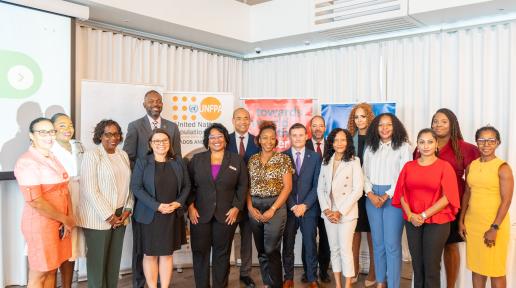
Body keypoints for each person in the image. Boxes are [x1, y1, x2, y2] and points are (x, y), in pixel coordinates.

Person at [123, 90, 182, 288]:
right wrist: (145, 177)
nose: (155, 103)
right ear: (144, 103)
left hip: (168, 196)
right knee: (144, 249)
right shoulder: (135, 126)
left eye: (158, 101)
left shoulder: (172, 127)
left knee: (165, 252)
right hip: (145, 197)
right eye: (151, 101)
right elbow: (128, 158)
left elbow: (177, 158)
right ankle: (141, 284)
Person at [415, 108, 479, 288]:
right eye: (435, 121)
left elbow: (471, 183)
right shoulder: (423, 146)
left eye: (443, 121)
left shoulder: (466, 149)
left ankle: (450, 286)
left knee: (450, 246)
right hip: (425, 206)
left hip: (452, 205)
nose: (438, 124)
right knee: (427, 250)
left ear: (452, 124)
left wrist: (466, 211)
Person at [392, 128, 460, 288]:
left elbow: (447, 198)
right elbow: (401, 193)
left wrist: (422, 215)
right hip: (412, 221)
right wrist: (410, 215)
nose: (426, 145)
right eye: (422, 142)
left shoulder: (445, 167)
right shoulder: (409, 167)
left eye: (430, 142)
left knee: (431, 267)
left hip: (438, 222)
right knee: (417, 266)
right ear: (417, 145)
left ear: (436, 144)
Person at [14, 117, 75, 288]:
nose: (49, 136)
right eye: (42, 132)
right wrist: (64, 218)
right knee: (39, 273)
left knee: (51, 269)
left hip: (60, 222)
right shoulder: (27, 161)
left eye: (51, 131)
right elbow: (36, 202)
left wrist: (68, 217)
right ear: (31, 136)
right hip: (40, 224)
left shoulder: (52, 157)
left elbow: (65, 188)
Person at [188, 123, 249, 288]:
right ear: (207, 141)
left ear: (226, 140)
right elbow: (189, 186)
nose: (216, 140)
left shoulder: (236, 160)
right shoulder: (197, 160)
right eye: (212, 137)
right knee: (200, 254)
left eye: (220, 136)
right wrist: (190, 207)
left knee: (222, 255)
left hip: (226, 215)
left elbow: (243, 186)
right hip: (199, 215)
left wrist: (237, 207)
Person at [130, 129, 190, 288]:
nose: (161, 144)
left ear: (169, 143)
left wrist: (178, 203)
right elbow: (136, 187)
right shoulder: (142, 162)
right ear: (150, 144)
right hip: (149, 216)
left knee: (167, 254)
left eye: (164, 140)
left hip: (171, 215)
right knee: (149, 255)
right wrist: (157, 206)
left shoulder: (178, 161)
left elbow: (187, 186)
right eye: (157, 141)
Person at [78, 119, 134, 288]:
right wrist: (109, 216)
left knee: (113, 262)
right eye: (108, 134)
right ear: (100, 136)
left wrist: (128, 208)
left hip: (121, 215)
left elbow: (130, 185)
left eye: (116, 133)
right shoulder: (91, 156)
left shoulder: (122, 155)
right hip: (98, 218)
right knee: (97, 263)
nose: (113, 138)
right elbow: (89, 189)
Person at [458, 126, 513, 288]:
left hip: (494, 225)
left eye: (491, 140)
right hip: (473, 224)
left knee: (496, 271)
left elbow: (507, 201)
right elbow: (467, 193)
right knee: (477, 268)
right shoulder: (471, 166)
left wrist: (494, 228)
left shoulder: (503, 168)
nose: (486, 144)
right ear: (477, 142)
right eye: (482, 140)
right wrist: (461, 220)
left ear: (498, 143)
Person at [362, 113, 412, 288]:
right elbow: (364, 173)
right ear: (376, 127)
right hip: (372, 197)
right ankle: (381, 281)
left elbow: (404, 175)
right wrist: (369, 193)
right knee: (378, 242)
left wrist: (387, 195)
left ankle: (393, 284)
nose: (384, 128)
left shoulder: (403, 147)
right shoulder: (370, 147)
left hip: (394, 197)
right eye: (380, 125)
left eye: (388, 124)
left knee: (392, 244)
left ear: (395, 126)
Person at [247, 121, 293, 288]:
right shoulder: (252, 160)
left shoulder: (283, 159)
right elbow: (248, 186)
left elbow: (288, 188)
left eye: (272, 138)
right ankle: (267, 283)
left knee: (271, 249)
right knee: (261, 250)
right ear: (259, 139)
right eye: (264, 138)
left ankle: (276, 284)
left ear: (276, 141)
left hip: (276, 206)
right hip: (255, 206)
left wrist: (272, 209)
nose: (268, 141)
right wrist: (250, 207)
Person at [317, 128, 363, 288]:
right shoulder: (326, 161)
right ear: (331, 142)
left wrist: (339, 211)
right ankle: (338, 284)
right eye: (336, 140)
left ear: (348, 142)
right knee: (334, 249)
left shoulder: (354, 161)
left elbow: (358, 190)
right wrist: (326, 210)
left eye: (343, 140)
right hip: (329, 213)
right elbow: (320, 189)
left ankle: (348, 284)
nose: (339, 143)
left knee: (345, 249)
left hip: (347, 213)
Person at [281, 123, 322, 288]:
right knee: (288, 244)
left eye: (300, 135)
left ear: (307, 136)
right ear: (290, 137)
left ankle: (312, 278)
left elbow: (317, 185)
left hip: (309, 209)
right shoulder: (282, 157)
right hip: (288, 209)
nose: (297, 138)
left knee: (311, 244)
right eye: (294, 135)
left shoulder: (316, 157)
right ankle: (288, 277)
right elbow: (282, 186)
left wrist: (305, 205)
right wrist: (293, 206)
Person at [50, 113, 85, 288]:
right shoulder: (48, 148)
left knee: (72, 248)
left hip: (79, 200)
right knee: (56, 247)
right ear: (52, 128)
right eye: (62, 125)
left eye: (70, 125)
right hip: (59, 200)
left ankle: (66, 285)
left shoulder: (77, 145)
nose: (68, 129)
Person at [227, 107, 260, 288]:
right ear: (233, 120)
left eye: (246, 118)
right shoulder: (225, 140)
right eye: (238, 118)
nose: (242, 121)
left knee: (247, 238)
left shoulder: (257, 142)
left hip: (251, 200)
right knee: (226, 238)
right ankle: (222, 271)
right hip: (229, 201)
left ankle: (245, 273)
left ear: (250, 121)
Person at [346, 103, 376, 287]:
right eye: (356, 117)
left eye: (363, 116)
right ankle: (354, 269)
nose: (359, 120)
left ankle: (373, 271)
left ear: (369, 118)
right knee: (354, 232)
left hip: (372, 191)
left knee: (373, 233)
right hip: (354, 192)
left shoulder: (377, 138)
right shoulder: (350, 139)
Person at [303, 115, 331, 283]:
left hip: (328, 200)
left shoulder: (333, 145)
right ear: (310, 128)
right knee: (309, 237)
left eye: (321, 125)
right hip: (309, 200)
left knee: (326, 238)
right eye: (314, 126)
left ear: (325, 127)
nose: (318, 128)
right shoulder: (303, 145)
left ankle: (324, 271)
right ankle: (308, 271)